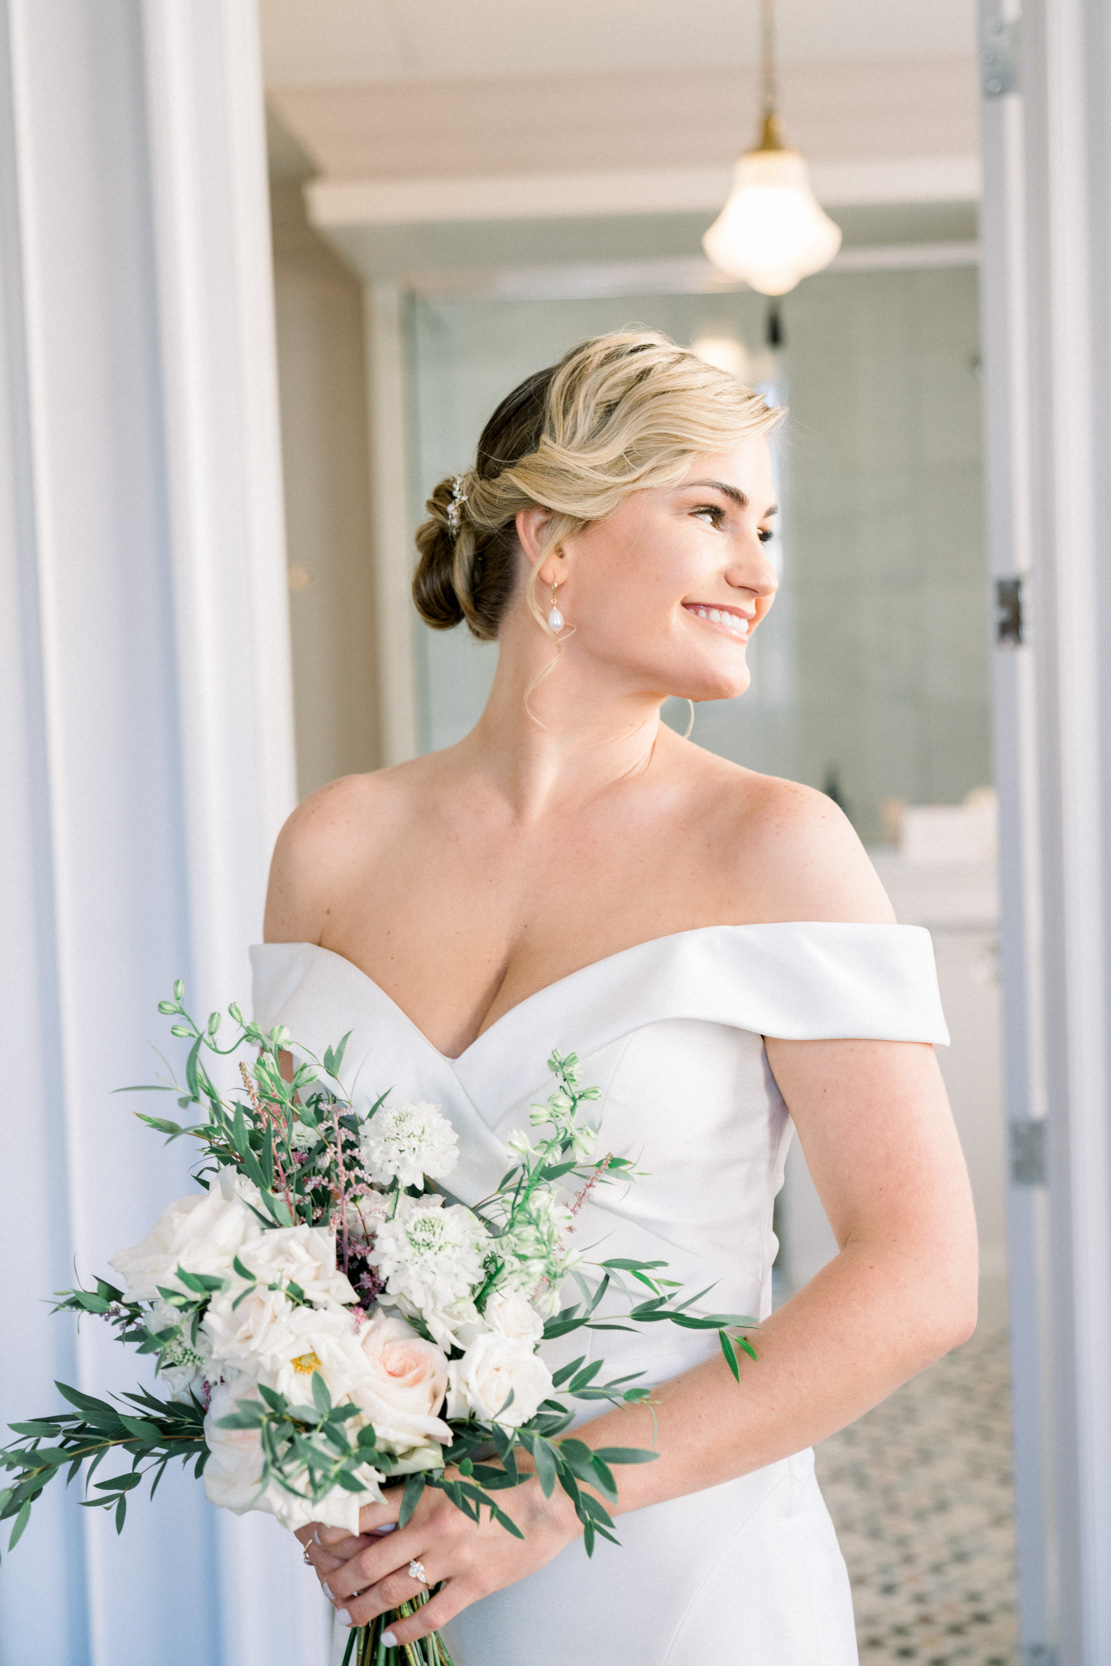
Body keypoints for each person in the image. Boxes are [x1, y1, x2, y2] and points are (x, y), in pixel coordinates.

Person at [257, 329, 978, 1665]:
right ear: (557, 541)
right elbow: (285, 1241)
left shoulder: (777, 847)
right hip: (412, 1574)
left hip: (682, 1580)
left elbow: (920, 1273)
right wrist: (314, 1442)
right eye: (708, 513)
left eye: (764, 524)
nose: (758, 570)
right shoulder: (332, 845)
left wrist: (542, 1498)